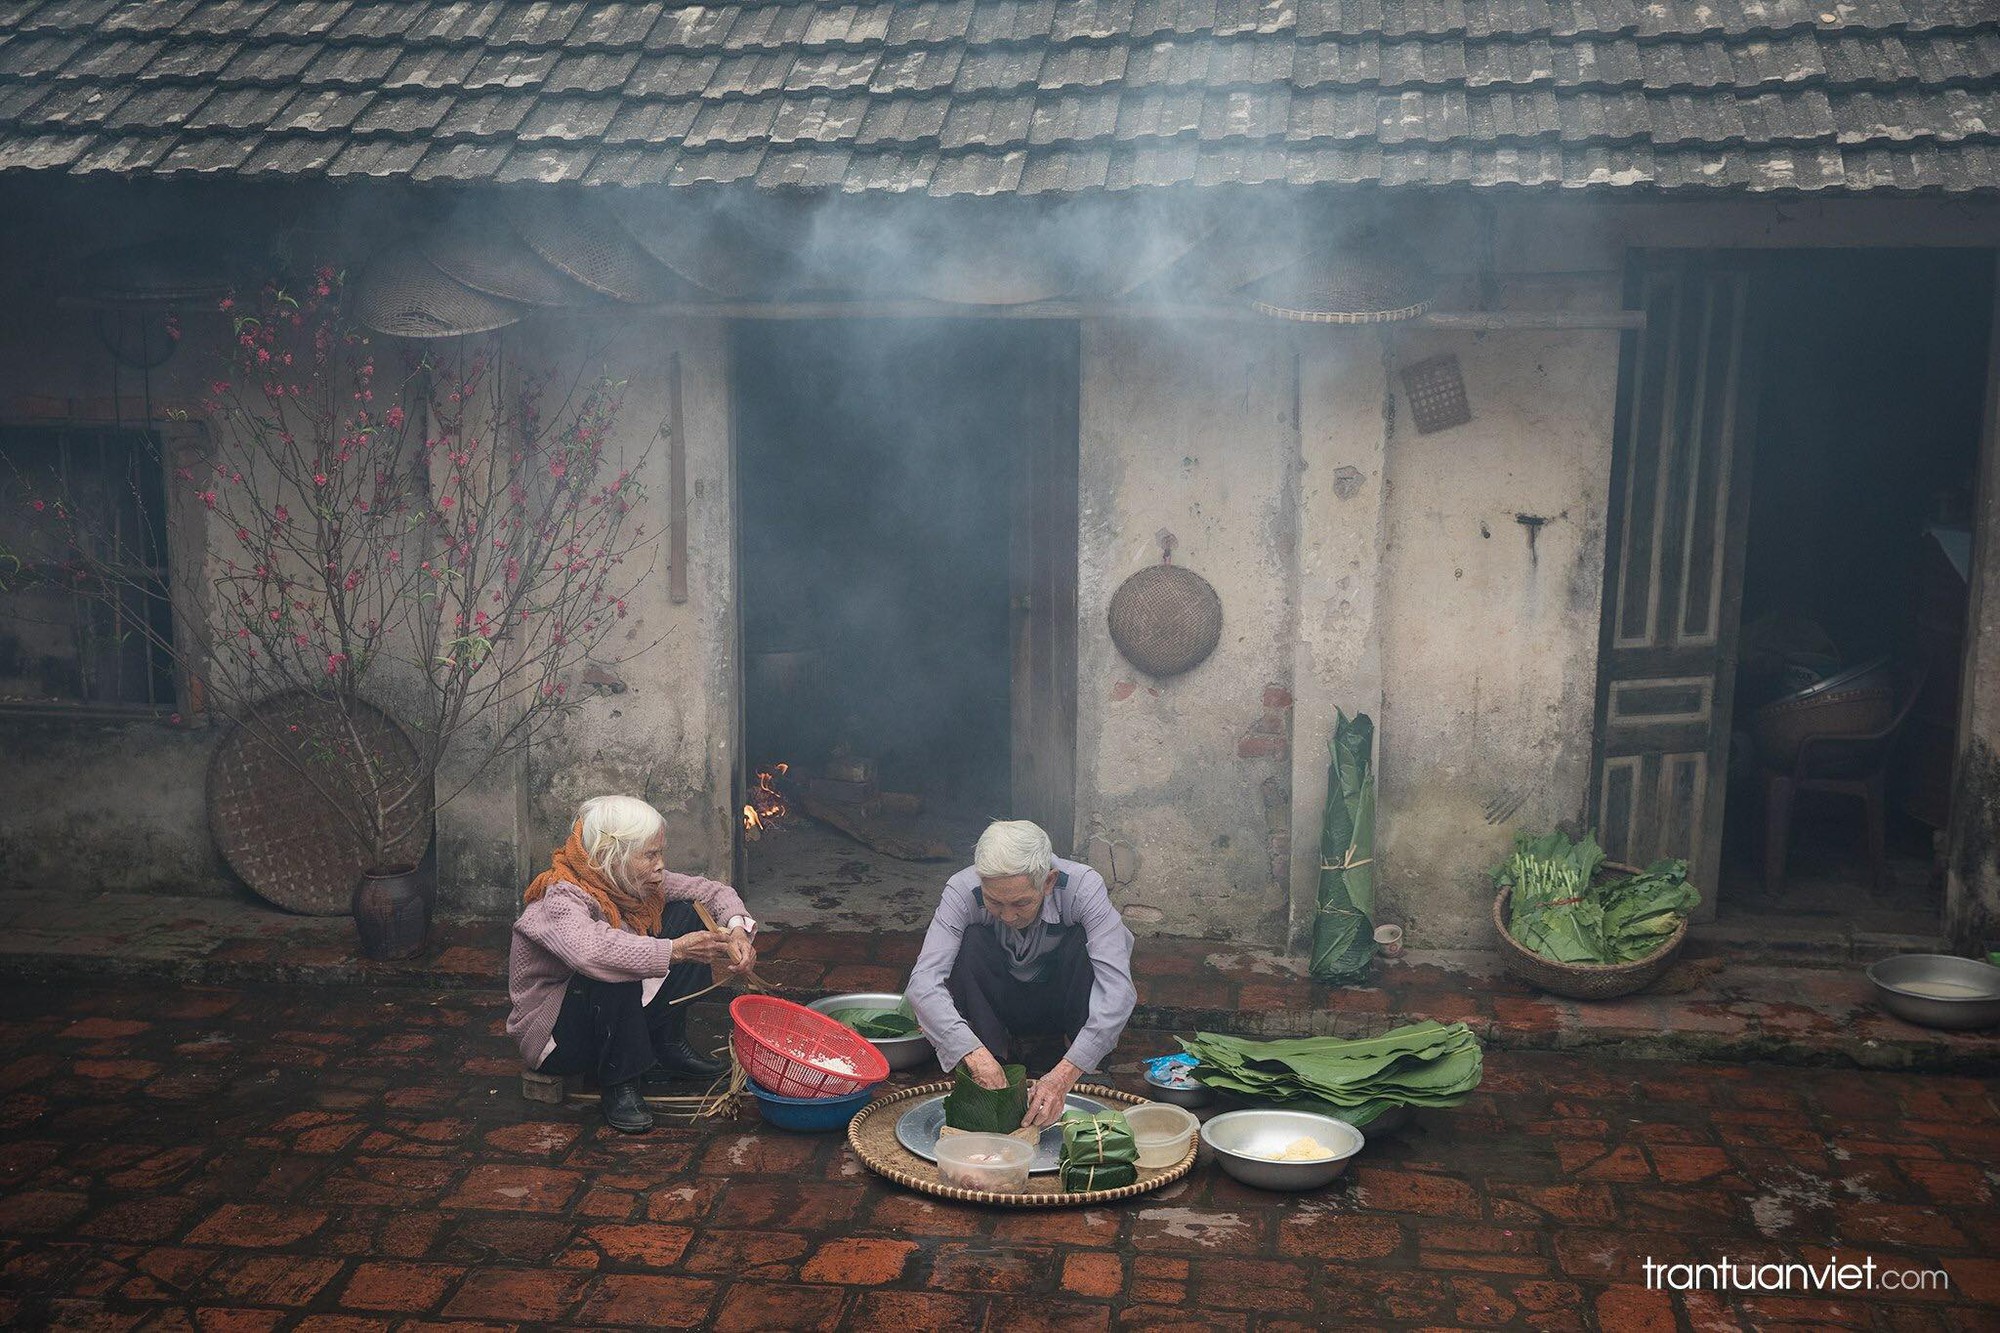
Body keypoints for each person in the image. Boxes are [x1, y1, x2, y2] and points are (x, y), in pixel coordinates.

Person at [507, 795, 759, 1134]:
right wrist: (676, 951)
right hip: (559, 1040)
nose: (659, 865)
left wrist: (737, 930)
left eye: (660, 853)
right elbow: (592, 952)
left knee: (687, 913)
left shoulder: (629, 881)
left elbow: (712, 892)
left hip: (607, 1016)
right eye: (650, 855)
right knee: (613, 963)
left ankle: (667, 1047)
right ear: (612, 857)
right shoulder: (561, 898)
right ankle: (619, 1081)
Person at [905, 819, 1137, 1130]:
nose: (1009, 915)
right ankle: (995, 1058)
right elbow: (923, 983)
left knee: (1087, 943)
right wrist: (974, 1056)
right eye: (995, 902)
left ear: (1049, 881)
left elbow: (1118, 991)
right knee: (969, 942)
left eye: (1022, 903)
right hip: (997, 1002)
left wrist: (1065, 1074)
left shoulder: (1083, 887)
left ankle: (1077, 1055)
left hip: (1059, 1000)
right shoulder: (962, 890)